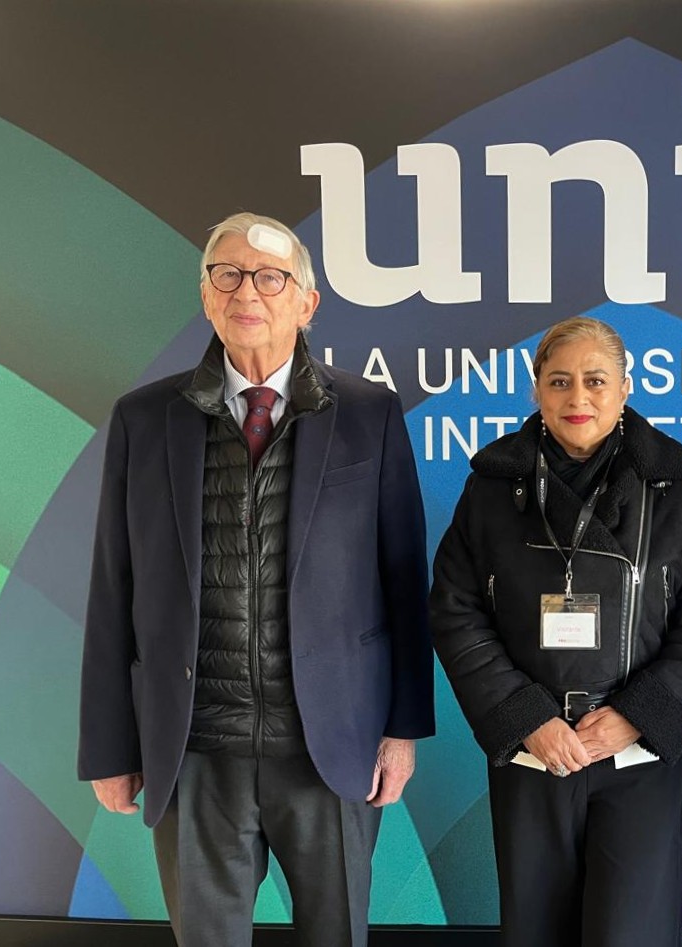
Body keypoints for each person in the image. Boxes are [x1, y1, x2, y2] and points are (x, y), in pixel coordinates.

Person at [77, 212, 433, 947]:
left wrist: (403, 730)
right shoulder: (144, 418)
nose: (248, 292)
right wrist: (109, 748)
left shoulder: (368, 413)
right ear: (206, 295)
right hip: (195, 749)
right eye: (228, 274)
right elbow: (114, 586)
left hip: (330, 746)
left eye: (270, 277)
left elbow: (404, 581)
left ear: (306, 302)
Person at [429, 316, 682, 947]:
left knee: (634, 932)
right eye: (560, 381)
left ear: (624, 388)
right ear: (537, 389)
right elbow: (455, 610)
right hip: (534, 749)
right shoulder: (491, 486)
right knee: (536, 926)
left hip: (636, 750)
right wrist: (527, 718)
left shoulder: (676, 484)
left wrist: (639, 714)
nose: (578, 398)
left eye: (596, 381)